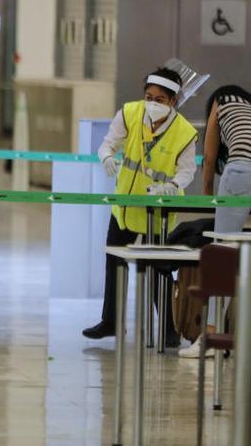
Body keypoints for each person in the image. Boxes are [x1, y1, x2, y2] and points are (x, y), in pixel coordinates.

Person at [82, 67, 198, 347]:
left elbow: (186, 172)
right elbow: (107, 144)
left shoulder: (184, 132)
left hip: (157, 212)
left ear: (173, 101)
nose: (152, 103)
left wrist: (172, 185)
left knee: (158, 267)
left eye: (159, 99)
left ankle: (168, 330)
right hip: (125, 206)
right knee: (114, 262)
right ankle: (110, 322)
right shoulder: (130, 113)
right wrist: (107, 156)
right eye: (149, 96)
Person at [182, 84, 251, 358]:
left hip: (239, 172)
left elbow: (210, 157)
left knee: (222, 255)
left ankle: (209, 338)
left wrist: (208, 196)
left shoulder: (221, 102)